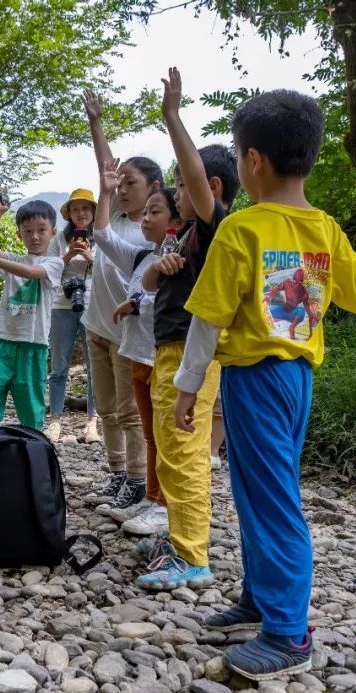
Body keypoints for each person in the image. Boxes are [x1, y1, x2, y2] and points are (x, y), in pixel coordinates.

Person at [172, 88, 356, 679]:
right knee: (259, 489)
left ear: (253, 161)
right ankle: (260, 598)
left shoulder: (243, 229)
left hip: (254, 377)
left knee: (273, 499)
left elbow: (209, 318)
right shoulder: (326, 229)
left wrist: (186, 384)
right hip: (298, 377)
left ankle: (287, 632)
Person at [129, 69, 239, 578]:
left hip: (190, 355)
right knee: (172, 454)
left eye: (180, 185)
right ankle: (179, 541)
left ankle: (192, 555)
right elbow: (149, 283)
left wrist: (173, 116)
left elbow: (196, 179)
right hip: (171, 349)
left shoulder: (217, 227)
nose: (177, 194)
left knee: (185, 453)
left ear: (210, 187)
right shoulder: (188, 236)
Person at [80, 88, 163, 507]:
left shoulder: (151, 233)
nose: (123, 189)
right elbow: (106, 170)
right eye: (122, 184)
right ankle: (115, 474)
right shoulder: (110, 217)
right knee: (108, 410)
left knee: (130, 413)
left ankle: (135, 478)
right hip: (96, 325)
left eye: (133, 184)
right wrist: (97, 123)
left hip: (126, 335)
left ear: (155, 189)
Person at [90, 159, 182, 530]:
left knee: (162, 434)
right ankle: (149, 498)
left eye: (154, 211)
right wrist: (135, 300)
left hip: (161, 357)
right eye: (144, 213)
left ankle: (163, 503)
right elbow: (102, 237)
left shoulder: (179, 257)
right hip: (136, 354)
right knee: (149, 432)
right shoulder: (146, 254)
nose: (144, 218)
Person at [0, 193, 64, 431]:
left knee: (30, 407)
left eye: (41, 230)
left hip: (33, 345)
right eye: (28, 231)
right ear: (19, 234)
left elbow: (31, 273)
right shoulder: (15, 259)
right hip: (3, 341)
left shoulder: (55, 263)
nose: (35, 236)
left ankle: (33, 449)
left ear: (53, 232)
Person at [46, 188, 101, 444]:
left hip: (92, 304)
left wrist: (90, 256)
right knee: (59, 366)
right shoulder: (60, 239)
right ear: (70, 214)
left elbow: (109, 272)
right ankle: (55, 420)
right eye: (76, 209)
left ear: (93, 211)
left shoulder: (101, 237)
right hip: (61, 303)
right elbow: (49, 270)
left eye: (86, 208)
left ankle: (92, 423)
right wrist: (69, 255)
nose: (81, 213)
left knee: (95, 367)